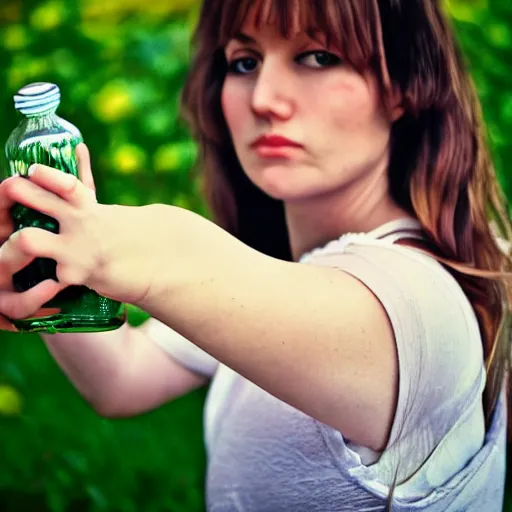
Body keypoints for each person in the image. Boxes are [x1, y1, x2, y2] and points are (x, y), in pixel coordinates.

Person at [0, 0, 510, 510]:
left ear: (403, 86)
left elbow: (174, 256)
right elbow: (121, 378)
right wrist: (43, 265)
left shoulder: (420, 301)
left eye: (316, 57)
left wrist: (110, 246)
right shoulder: (284, 280)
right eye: (244, 62)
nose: (264, 99)